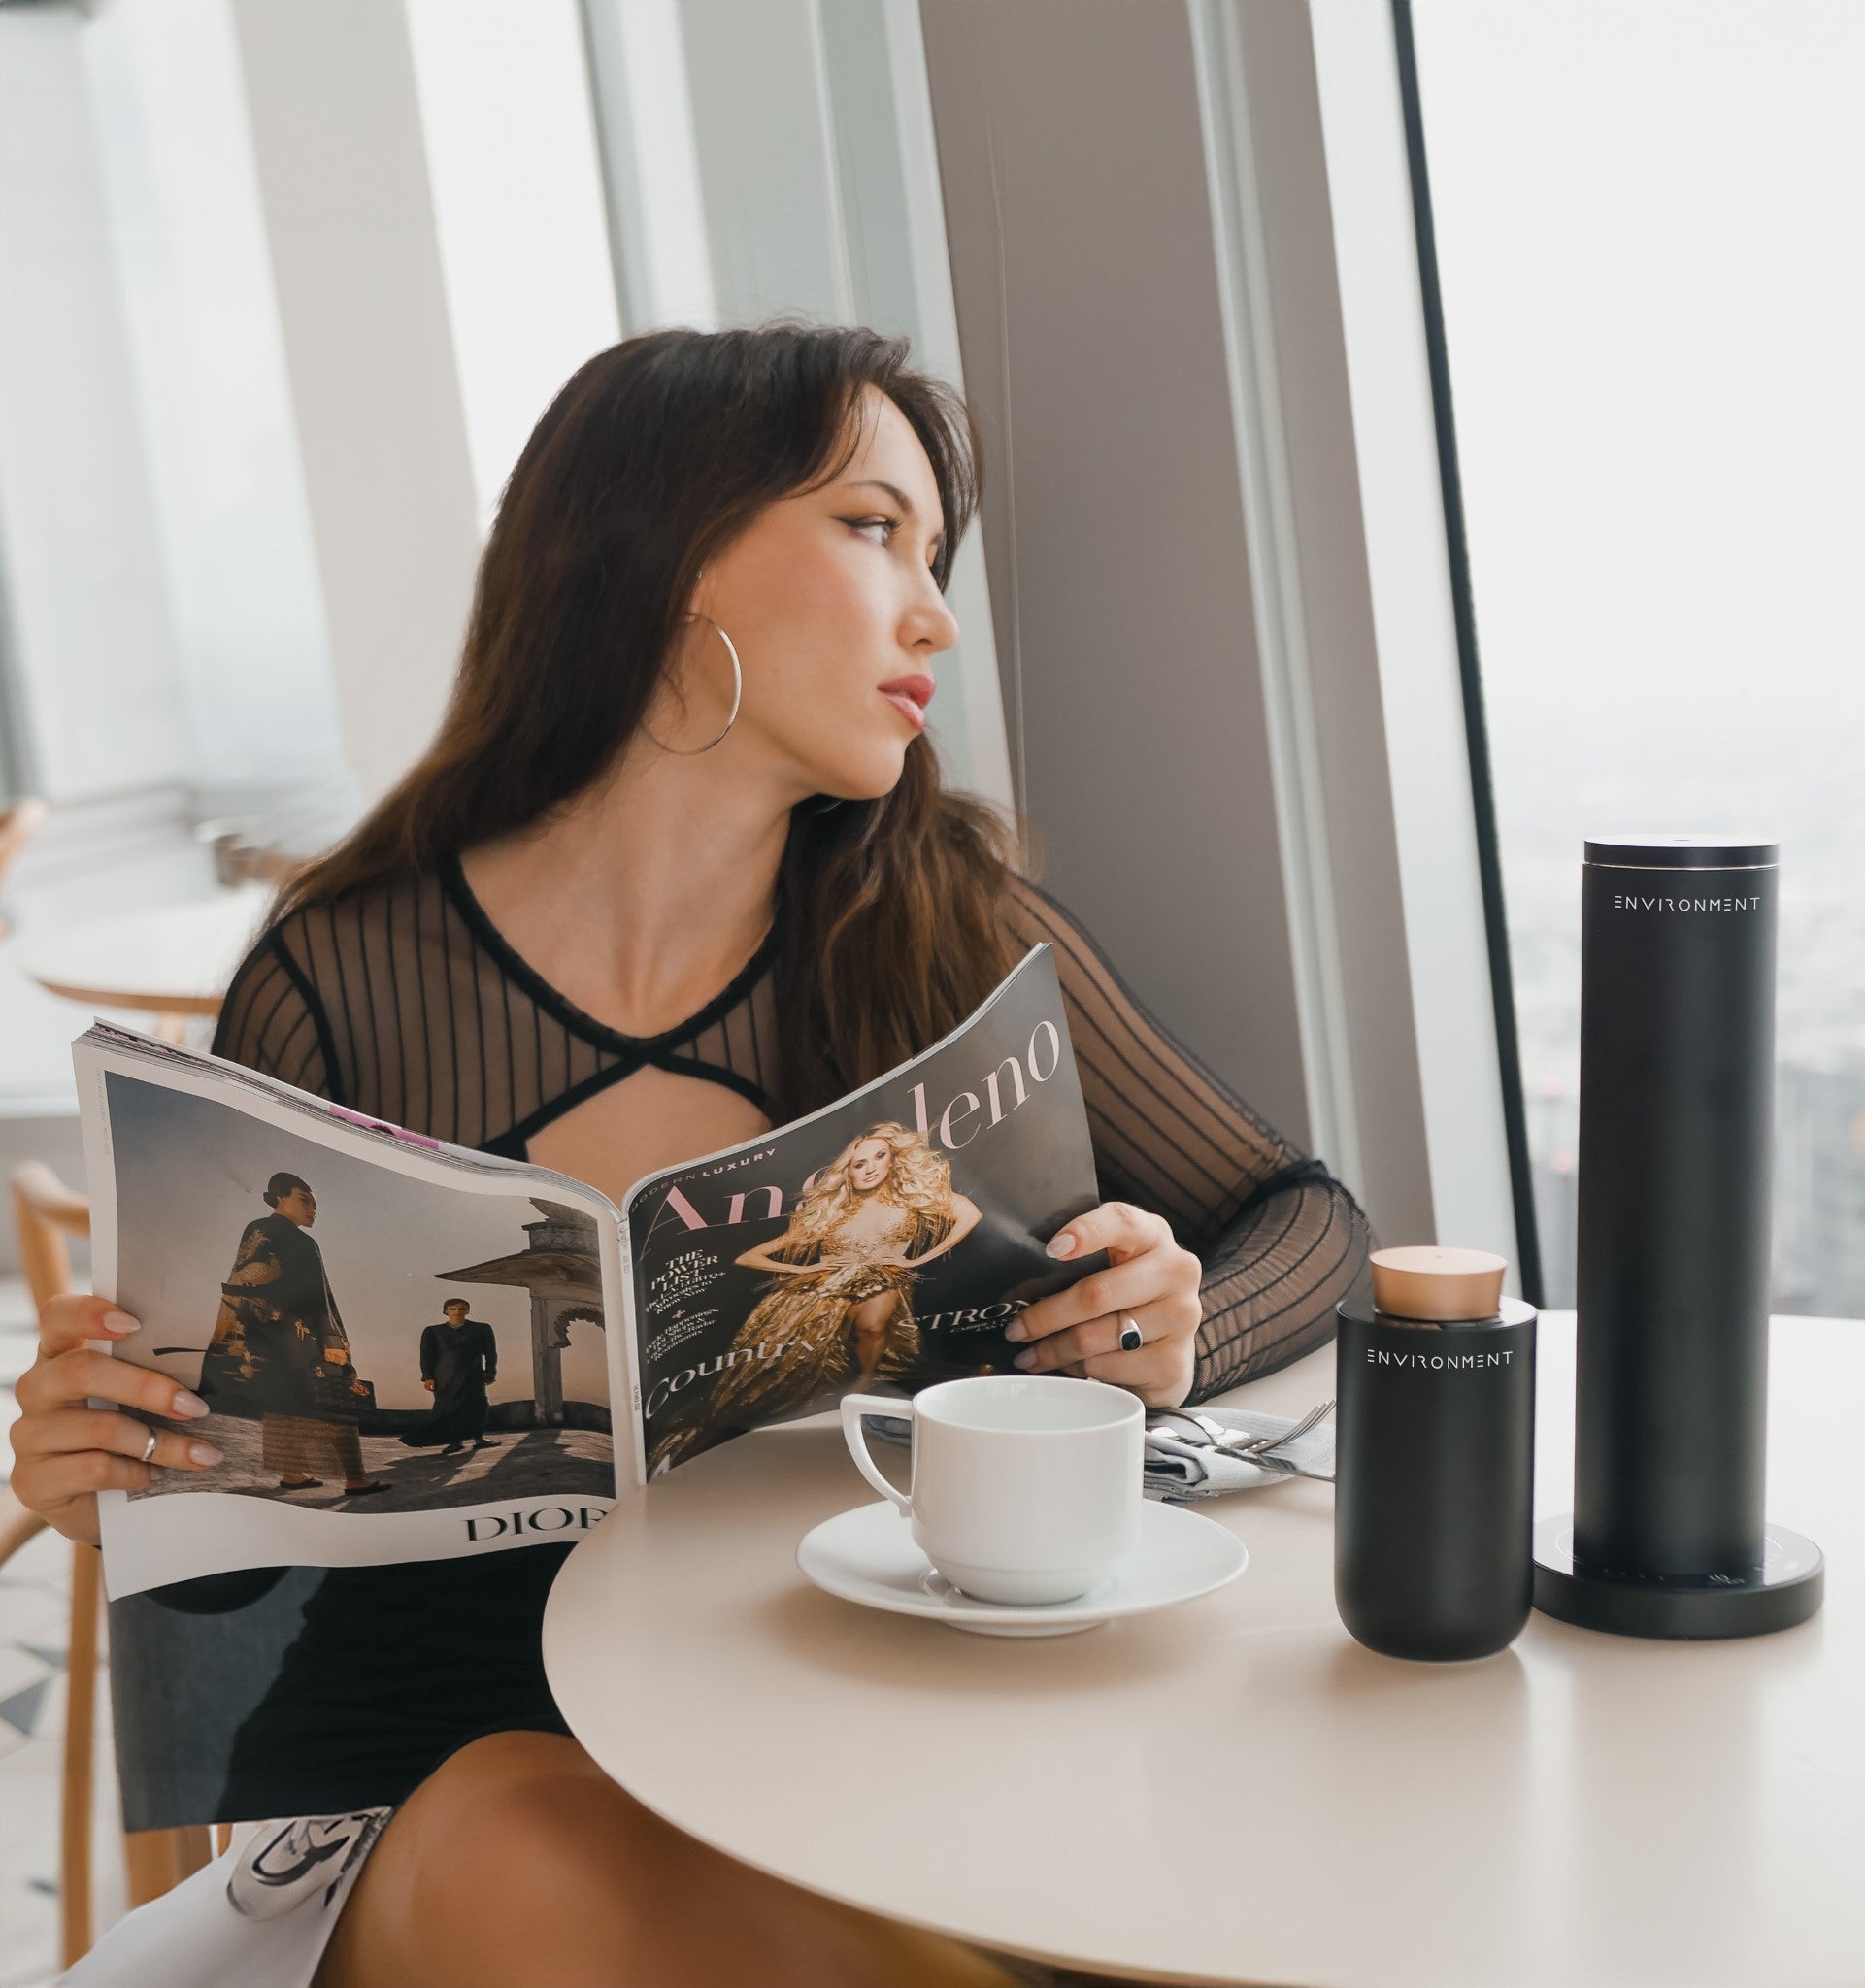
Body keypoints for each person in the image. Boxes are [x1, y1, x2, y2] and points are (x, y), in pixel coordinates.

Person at [9, 324, 1370, 1988]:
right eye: (873, 531)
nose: (933, 614)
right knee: (527, 1838)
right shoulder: (345, 971)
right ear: (666, 558)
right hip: (461, 1799)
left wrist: (1164, 1324)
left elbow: (1306, 1214)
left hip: (854, 1756)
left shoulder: (944, 928)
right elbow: (242, 1573)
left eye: (932, 556)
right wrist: (116, 1479)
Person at [660, 1122, 978, 1466]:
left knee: (872, 1327)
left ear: (892, 1161)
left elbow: (970, 1213)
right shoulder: (831, 1214)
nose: (870, 1167)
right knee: (780, 1370)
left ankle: (863, 1385)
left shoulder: (911, 1200)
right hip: (821, 1291)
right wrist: (805, 1270)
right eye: (859, 1163)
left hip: (883, 1278)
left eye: (879, 1157)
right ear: (849, 1173)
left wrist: (919, 1258)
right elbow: (747, 1256)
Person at [197, 1173, 384, 1499]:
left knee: (284, 1403)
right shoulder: (282, 1235)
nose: (313, 1208)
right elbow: (309, 1295)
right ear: (280, 1198)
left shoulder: (268, 1232)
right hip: (297, 1335)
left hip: (266, 1335)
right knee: (332, 1400)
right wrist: (330, 1338)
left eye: (314, 1203)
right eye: (304, 1199)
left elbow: (246, 1283)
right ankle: (354, 1478)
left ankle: (294, 1475)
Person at [402, 1299, 499, 1456]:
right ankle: (454, 1442)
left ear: (467, 1311)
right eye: (452, 1309)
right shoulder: (433, 1331)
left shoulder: (481, 1329)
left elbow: (490, 1353)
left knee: (477, 1405)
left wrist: (490, 1373)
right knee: (448, 1408)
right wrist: (428, 1377)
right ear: (445, 1311)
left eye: (462, 1309)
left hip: (472, 1374)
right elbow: (426, 1356)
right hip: (444, 1376)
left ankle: (479, 1439)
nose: (457, 1312)